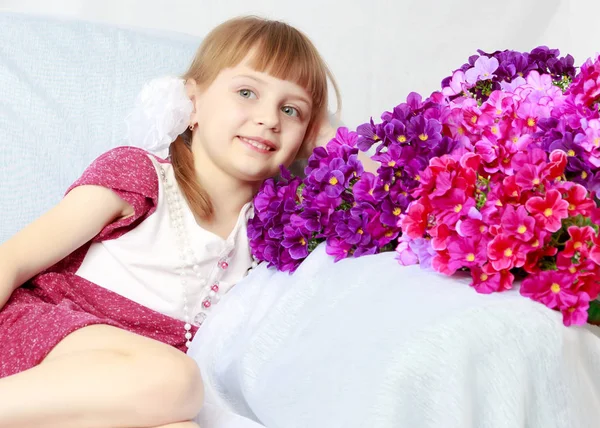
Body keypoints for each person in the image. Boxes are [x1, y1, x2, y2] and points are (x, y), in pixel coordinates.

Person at [0, 16, 339, 428]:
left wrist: (335, 140)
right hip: (48, 337)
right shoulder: (141, 175)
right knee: (177, 379)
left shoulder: (271, 231)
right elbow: (14, 258)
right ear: (192, 103)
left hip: (141, 391)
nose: (269, 119)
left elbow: (380, 202)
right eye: (247, 92)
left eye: (291, 110)